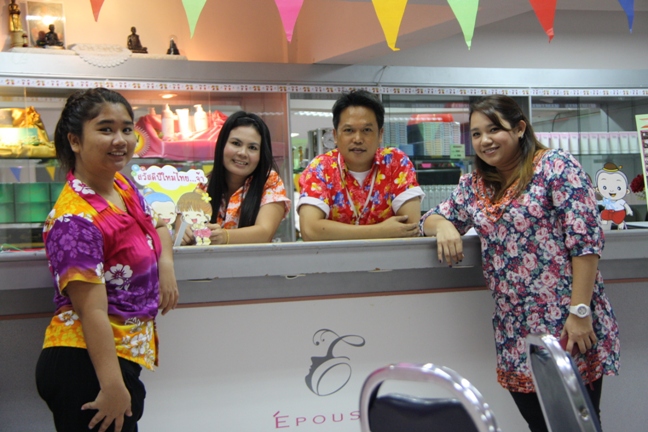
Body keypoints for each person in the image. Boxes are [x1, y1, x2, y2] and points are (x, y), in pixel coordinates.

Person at [420, 95, 620, 432]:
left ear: (520, 128)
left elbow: (585, 243)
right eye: (477, 134)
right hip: (514, 332)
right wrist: (443, 227)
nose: (485, 140)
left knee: (575, 425)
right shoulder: (476, 185)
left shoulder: (556, 167)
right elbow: (430, 218)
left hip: (566, 324)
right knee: (539, 426)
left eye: (494, 129)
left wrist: (580, 312)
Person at [35, 88, 179, 432]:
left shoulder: (122, 187)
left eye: (127, 129)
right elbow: (93, 311)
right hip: (86, 364)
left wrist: (166, 267)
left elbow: (158, 226)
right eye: (105, 129)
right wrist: (113, 387)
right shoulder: (75, 219)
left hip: (118, 359)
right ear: (74, 140)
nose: (120, 140)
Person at [297, 90, 424, 240]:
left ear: (380, 134)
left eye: (367, 130)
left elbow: (409, 226)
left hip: (389, 256)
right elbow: (310, 230)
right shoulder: (321, 167)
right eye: (349, 130)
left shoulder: (395, 162)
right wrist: (381, 231)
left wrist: (336, 232)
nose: (358, 139)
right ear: (335, 136)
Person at [179, 111, 290, 245]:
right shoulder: (204, 184)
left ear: (261, 154)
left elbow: (264, 232)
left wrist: (225, 236)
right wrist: (184, 231)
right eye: (236, 143)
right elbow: (183, 219)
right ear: (222, 145)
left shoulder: (270, 181)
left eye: (252, 147)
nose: (242, 153)